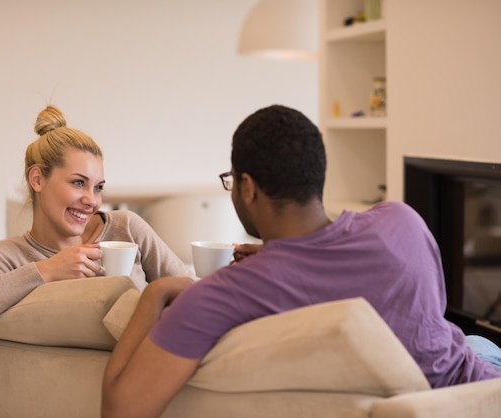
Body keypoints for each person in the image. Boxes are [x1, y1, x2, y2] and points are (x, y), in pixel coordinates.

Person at [101, 104, 501, 418]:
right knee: (476, 340)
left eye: (231, 180)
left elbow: (122, 410)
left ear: (248, 187)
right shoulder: (404, 223)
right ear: (317, 177)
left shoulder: (219, 296)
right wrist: (292, 255)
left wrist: (155, 293)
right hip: (480, 390)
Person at [0, 105, 193, 336]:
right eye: (78, 183)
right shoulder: (10, 256)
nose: (92, 201)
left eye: (98, 187)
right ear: (37, 179)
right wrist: (46, 270)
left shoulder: (126, 228)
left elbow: (189, 292)